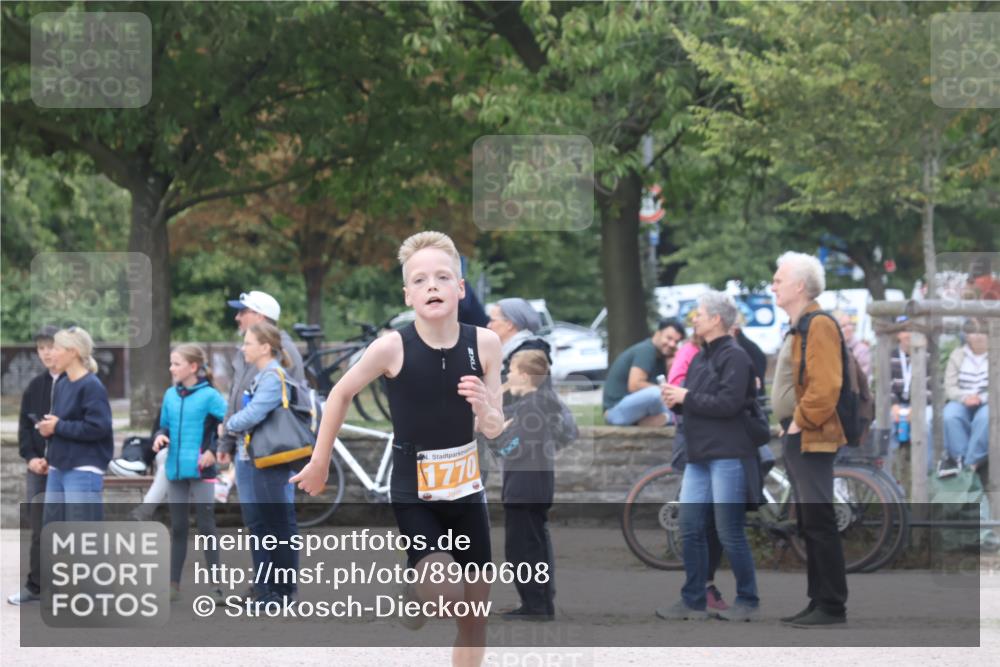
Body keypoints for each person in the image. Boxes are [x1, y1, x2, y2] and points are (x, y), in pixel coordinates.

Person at [292, 231, 504, 667]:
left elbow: (495, 428)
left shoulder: (485, 343)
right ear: (408, 295)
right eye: (420, 279)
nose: (432, 285)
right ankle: (417, 586)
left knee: (475, 617)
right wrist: (320, 460)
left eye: (443, 277)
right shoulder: (392, 346)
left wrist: (485, 408)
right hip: (415, 492)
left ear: (460, 289)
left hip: (467, 491)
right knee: (447, 598)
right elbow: (339, 394)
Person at [656, 291, 761, 622]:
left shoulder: (736, 357)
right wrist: (677, 400)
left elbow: (729, 404)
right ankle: (693, 599)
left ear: (717, 319)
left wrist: (687, 396)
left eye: (699, 313)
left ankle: (748, 600)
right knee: (689, 527)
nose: (694, 319)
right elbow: (700, 399)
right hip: (699, 453)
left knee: (728, 529)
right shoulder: (701, 356)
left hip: (728, 452)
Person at [770, 251, 848, 627]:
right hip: (802, 434)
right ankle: (819, 600)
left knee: (818, 520)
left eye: (779, 278)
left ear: (799, 285)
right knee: (810, 521)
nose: (773, 284)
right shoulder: (801, 324)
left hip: (813, 436)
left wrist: (798, 422)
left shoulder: (818, 325)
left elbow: (825, 386)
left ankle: (831, 605)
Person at [216, 290, 304, 598]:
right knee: (258, 521)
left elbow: (267, 406)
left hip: (270, 450)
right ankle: (265, 586)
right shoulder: (248, 352)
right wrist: (226, 439)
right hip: (247, 447)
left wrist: (229, 428)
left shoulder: (281, 352)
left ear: (261, 317)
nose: (238, 316)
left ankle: (280, 590)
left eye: (244, 311)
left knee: (276, 520)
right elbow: (234, 397)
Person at [486, 349, 577, 622]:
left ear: (524, 376)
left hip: (524, 489)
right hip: (534, 487)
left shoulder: (530, 408)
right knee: (532, 546)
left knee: (521, 550)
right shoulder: (538, 404)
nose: (508, 375)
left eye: (512, 370)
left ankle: (535, 606)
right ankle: (539, 603)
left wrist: (496, 436)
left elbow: (511, 448)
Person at [154, 344, 227, 603]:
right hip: (175, 469)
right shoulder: (169, 395)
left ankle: (216, 587)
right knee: (179, 528)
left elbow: (226, 423)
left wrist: (213, 449)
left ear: (193, 367)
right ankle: (173, 586)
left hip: (201, 470)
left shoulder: (209, 396)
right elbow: (161, 426)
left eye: (176, 363)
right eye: (171, 363)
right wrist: (160, 437)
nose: (171, 368)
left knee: (207, 527)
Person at [38, 327, 113, 524]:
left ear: (73, 352)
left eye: (56, 348)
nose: (50, 353)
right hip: (58, 467)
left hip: (83, 469)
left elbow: (98, 428)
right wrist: (49, 448)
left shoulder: (91, 386)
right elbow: (61, 423)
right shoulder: (62, 383)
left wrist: (58, 427)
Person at [7, 326, 60, 606]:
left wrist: (58, 461)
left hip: (65, 469)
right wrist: (31, 459)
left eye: (50, 346)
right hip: (37, 470)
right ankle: (35, 586)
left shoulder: (78, 384)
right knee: (39, 529)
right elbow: (24, 430)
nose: (46, 353)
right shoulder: (34, 387)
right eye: (41, 348)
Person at [602, 319, 685, 426]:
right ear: (658, 333)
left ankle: (662, 419)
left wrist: (673, 360)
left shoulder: (661, 357)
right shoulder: (647, 350)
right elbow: (635, 385)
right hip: (615, 411)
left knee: (675, 404)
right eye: (669, 338)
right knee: (657, 392)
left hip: (631, 409)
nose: (672, 344)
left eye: (676, 342)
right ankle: (668, 418)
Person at [941, 319, 990, 475]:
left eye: (982, 331)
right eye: (974, 332)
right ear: (967, 336)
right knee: (950, 415)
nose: (979, 336)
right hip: (962, 399)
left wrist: (981, 398)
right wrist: (964, 398)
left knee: (986, 417)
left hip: (989, 400)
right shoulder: (957, 355)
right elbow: (949, 386)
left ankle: (971, 463)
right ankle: (959, 458)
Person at [888, 320, 935, 476]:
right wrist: (893, 405)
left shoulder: (926, 355)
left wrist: (916, 408)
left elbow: (931, 388)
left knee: (926, 426)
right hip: (898, 404)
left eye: (912, 330)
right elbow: (886, 386)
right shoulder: (891, 356)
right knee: (881, 427)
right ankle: (885, 475)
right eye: (904, 330)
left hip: (922, 405)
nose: (908, 335)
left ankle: (926, 473)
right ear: (898, 335)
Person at [487, 297, 552, 381]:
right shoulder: (509, 350)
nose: (488, 325)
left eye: (492, 321)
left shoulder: (530, 353)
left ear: (509, 324)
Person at [837, 313, 872, 379]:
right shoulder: (835, 350)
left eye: (849, 324)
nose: (848, 328)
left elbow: (863, 376)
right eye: (843, 326)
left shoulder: (862, 350)